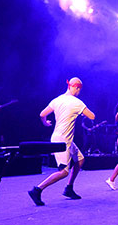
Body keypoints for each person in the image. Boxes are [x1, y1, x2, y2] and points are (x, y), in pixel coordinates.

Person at [28, 78, 96, 206]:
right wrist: (82, 112)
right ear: (76, 88)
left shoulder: (57, 100)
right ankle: (37, 190)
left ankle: (69, 188)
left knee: (80, 160)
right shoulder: (77, 103)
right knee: (64, 171)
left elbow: (42, 114)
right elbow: (92, 116)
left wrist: (46, 123)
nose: (79, 92)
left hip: (62, 138)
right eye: (79, 90)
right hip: (62, 141)